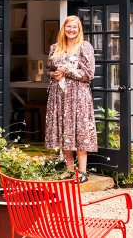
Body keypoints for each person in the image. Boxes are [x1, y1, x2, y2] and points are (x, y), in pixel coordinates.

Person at [45, 15, 97, 183]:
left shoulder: (84, 47)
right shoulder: (55, 47)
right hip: (59, 95)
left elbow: (89, 74)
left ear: (79, 29)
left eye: (75, 27)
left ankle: (82, 172)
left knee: (79, 130)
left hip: (78, 96)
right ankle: (69, 170)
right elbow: (49, 70)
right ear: (64, 29)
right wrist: (54, 74)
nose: (71, 30)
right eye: (69, 27)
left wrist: (66, 71)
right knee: (64, 130)